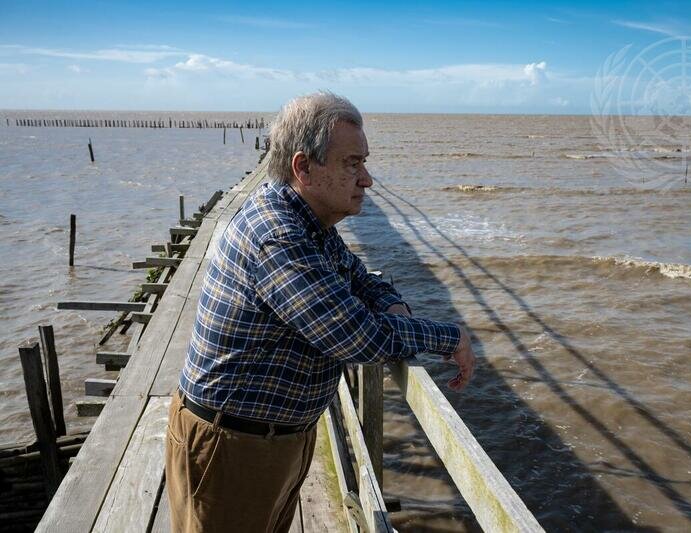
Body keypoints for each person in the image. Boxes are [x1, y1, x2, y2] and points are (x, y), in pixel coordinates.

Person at [165, 92, 476, 533]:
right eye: (352, 163)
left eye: (364, 162)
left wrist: (390, 302)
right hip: (233, 445)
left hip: (267, 437)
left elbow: (357, 275)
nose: (367, 179)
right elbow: (355, 337)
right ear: (303, 168)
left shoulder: (307, 219)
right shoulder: (278, 234)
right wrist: (451, 337)